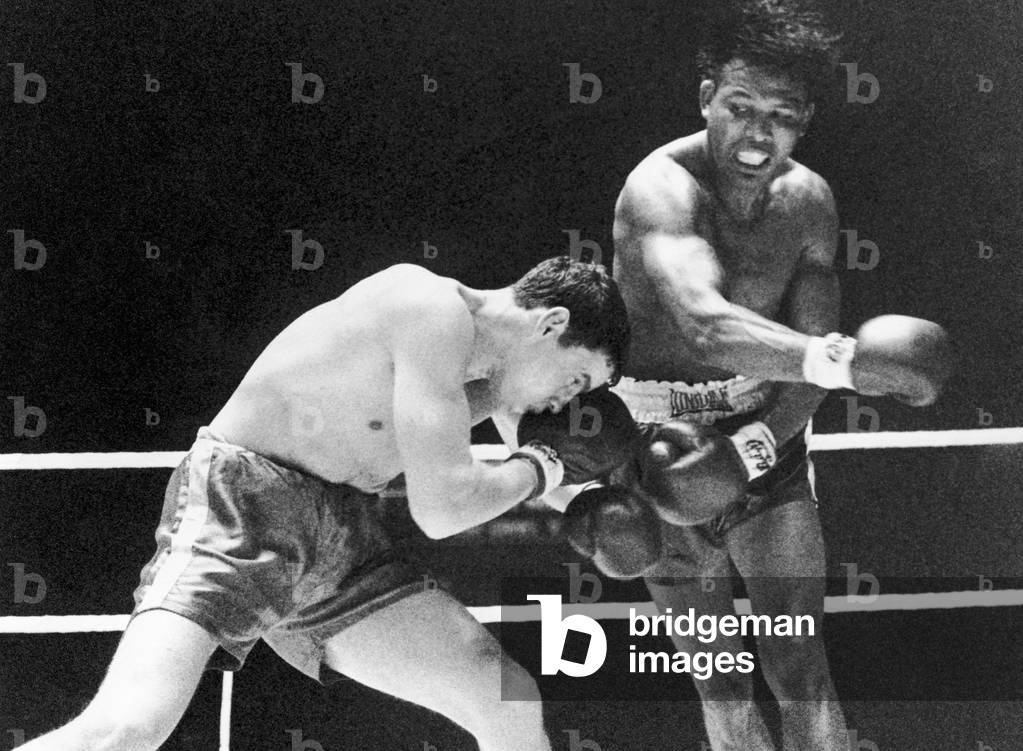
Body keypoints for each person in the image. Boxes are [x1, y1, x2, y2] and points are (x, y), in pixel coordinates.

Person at [17, 257, 635, 751]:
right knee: (127, 729)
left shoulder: (496, 384)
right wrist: (546, 462)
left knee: (504, 694)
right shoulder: (429, 311)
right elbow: (444, 508)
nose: (563, 403)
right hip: (243, 504)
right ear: (550, 324)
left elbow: (553, 488)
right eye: (575, 380)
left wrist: (625, 508)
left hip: (343, 532)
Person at [546, 2, 951, 750]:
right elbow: (704, 322)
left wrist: (756, 446)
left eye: (782, 115)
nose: (758, 135)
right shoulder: (658, 189)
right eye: (740, 107)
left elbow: (808, 350)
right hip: (650, 444)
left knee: (799, 663)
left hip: (767, 436)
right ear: (707, 99)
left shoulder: (808, 203)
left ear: (805, 121)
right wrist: (838, 360)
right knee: (719, 676)